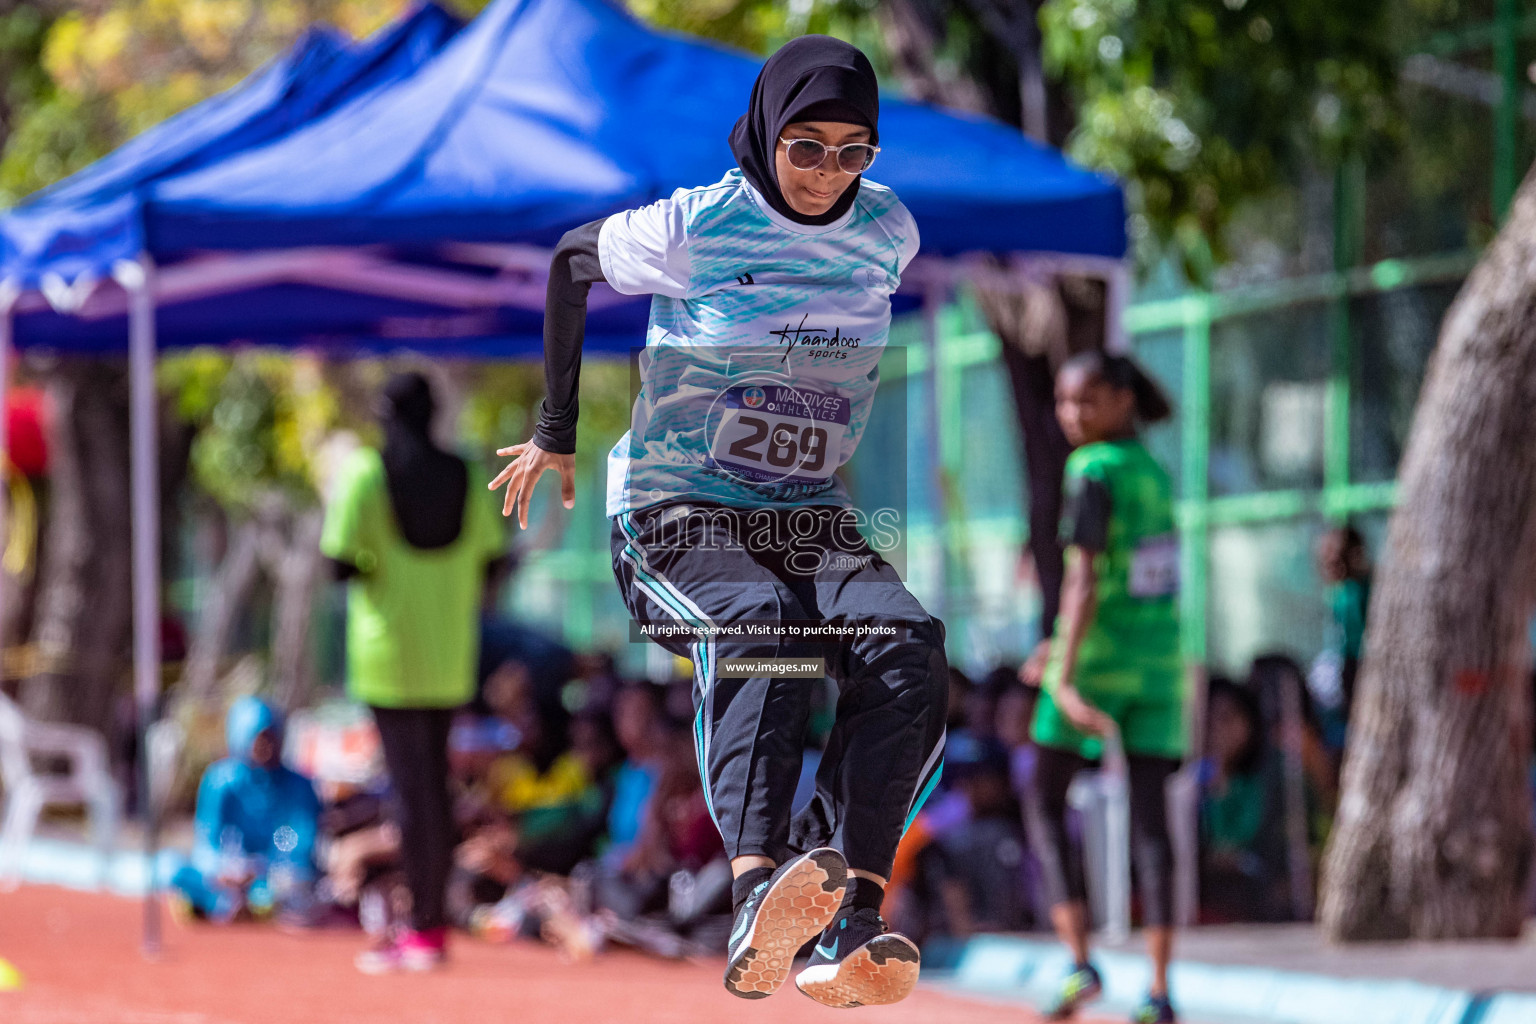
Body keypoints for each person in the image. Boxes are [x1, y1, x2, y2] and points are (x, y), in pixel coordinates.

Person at [488, 35, 946, 1007]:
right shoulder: (698, 225)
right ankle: (751, 896)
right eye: (806, 148)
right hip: (674, 511)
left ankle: (846, 913)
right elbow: (572, 263)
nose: (827, 174)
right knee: (764, 635)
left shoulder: (889, 232)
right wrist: (555, 431)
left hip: (804, 517)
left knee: (908, 654)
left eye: (852, 151)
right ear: (768, 133)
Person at [321, 371, 506, 974]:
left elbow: (337, 565)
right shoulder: (468, 474)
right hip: (448, 657)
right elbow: (494, 562)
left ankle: (422, 927)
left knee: (408, 793)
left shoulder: (366, 475)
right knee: (435, 792)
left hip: (386, 656)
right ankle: (429, 923)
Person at [1022, 351, 1185, 1024]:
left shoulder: (1089, 468)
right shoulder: (1152, 468)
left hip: (1096, 660)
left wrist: (1061, 670)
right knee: (1154, 823)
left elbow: (1085, 577)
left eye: (1085, 401)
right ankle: (1159, 990)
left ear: (1121, 400)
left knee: (1042, 796)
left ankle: (1080, 962)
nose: (1071, 416)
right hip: (1161, 662)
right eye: (1063, 402)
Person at [169, 696, 321, 925]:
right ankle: (229, 905)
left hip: (276, 877)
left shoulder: (299, 786)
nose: (266, 746)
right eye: (259, 738)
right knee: (176, 872)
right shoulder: (220, 781)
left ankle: (226, 907)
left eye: (271, 737)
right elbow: (208, 842)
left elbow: (299, 843)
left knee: (288, 886)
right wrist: (226, 868)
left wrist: (261, 867)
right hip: (230, 875)